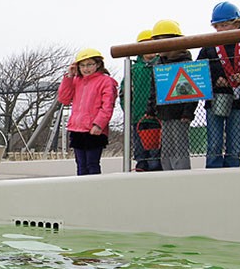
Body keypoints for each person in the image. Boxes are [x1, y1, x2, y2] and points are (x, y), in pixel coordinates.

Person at [197, 2, 240, 169]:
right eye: (217, 26)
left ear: (237, 23)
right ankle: (212, 175)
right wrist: (215, 80)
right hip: (215, 100)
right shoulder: (208, 46)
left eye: (224, 25)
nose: (220, 30)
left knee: (235, 145)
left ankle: (233, 177)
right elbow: (199, 73)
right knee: (214, 143)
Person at [146, 20, 198, 170]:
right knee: (166, 149)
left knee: (180, 148)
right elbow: (153, 88)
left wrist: (188, 112)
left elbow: (193, 93)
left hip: (180, 114)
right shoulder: (158, 64)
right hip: (164, 113)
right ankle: (167, 175)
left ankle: (182, 177)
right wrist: (151, 109)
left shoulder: (186, 63)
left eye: (162, 42)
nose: (158, 46)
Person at [58, 48, 117, 175]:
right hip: (77, 128)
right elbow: (64, 98)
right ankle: (83, 192)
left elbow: (107, 105)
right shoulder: (76, 80)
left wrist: (99, 124)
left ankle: (94, 191)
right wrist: (69, 77)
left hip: (94, 129)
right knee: (81, 165)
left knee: (92, 163)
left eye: (90, 64)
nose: (86, 69)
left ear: (98, 64)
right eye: (82, 65)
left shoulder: (105, 81)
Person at [120, 30, 162, 172]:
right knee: (140, 155)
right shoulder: (132, 69)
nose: (149, 48)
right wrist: (129, 112)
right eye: (145, 45)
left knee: (155, 157)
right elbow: (123, 93)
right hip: (137, 118)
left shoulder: (161, 65)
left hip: (157, 118)